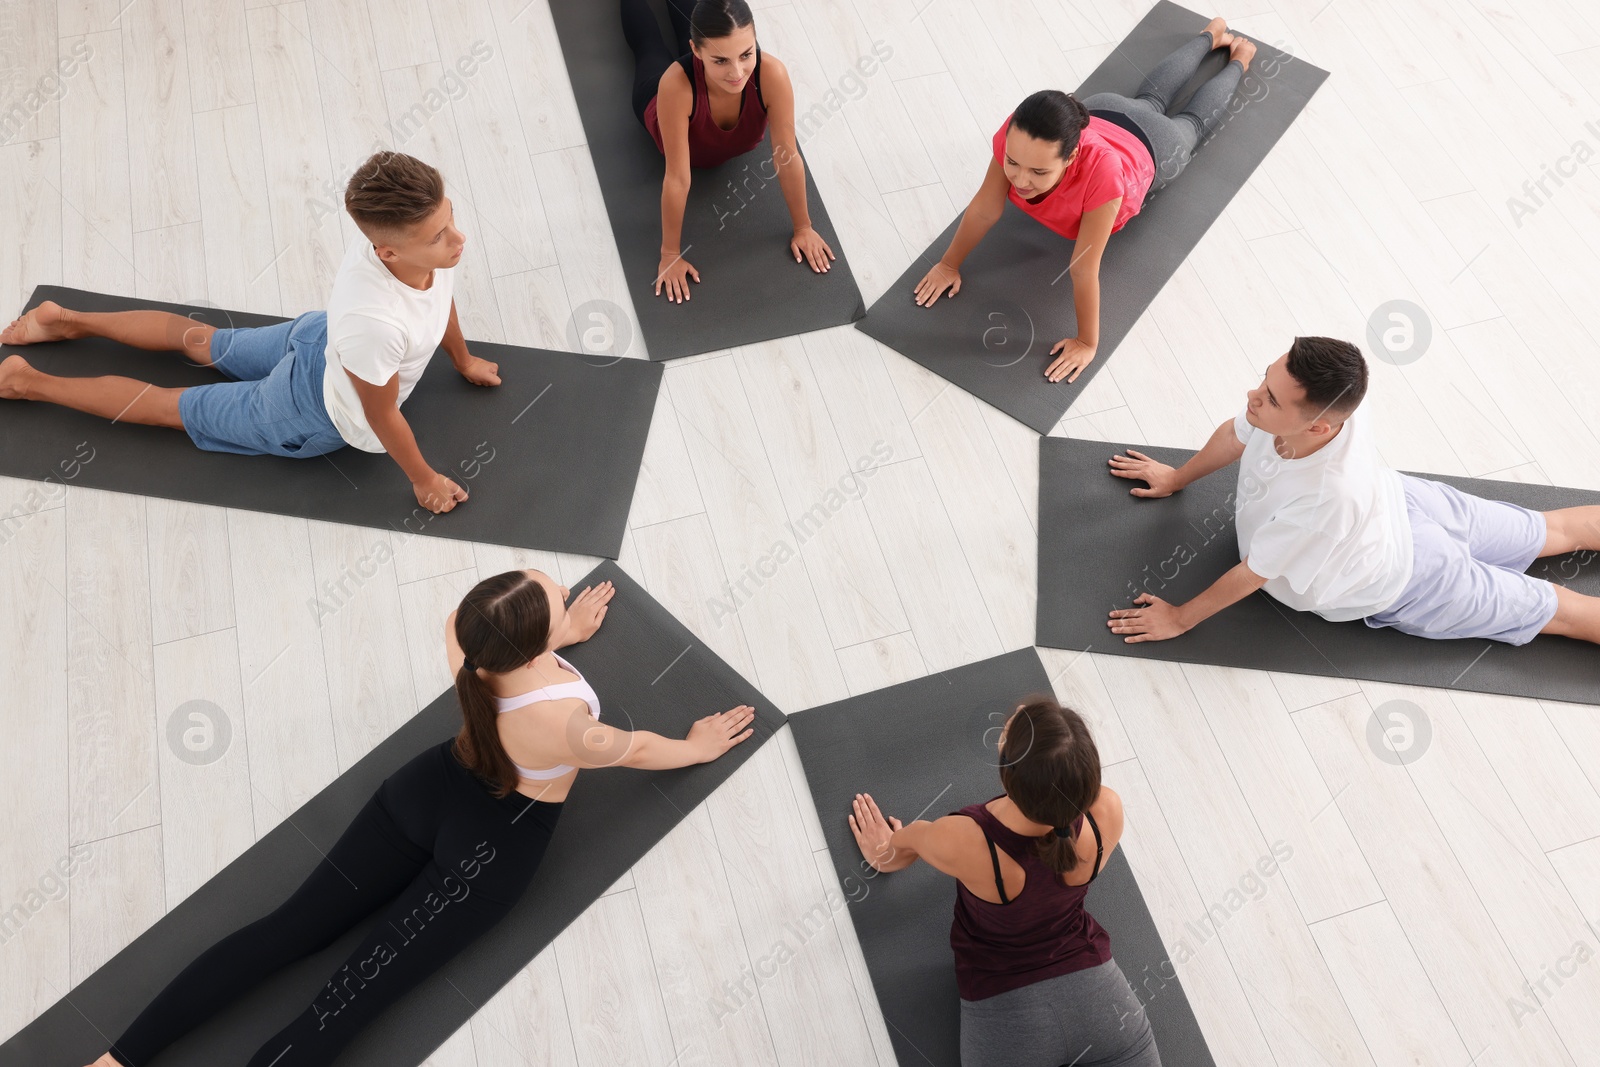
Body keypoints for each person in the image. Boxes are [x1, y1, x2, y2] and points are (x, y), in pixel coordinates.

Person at [81, 569, 756, 1067]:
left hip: (420, 793)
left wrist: (560, 631)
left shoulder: (464, 638)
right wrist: (696, 745)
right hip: (491, 851)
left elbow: (514, 654)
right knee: (352, 996)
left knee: (285, 931)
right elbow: (634, 748)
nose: (562, 596)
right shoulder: (572, 727)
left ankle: (114, 1061)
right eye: (556, 603)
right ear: (529, 644)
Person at [0, 152, 499, 515]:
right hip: (305, 405)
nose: (459, 240)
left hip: (315, 337)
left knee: (204, 341)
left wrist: (462, 359)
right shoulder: (378, 324)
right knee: (170, 406)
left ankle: (66, 319)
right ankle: (26, 381)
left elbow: (436, 297)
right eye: (439, 236)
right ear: (388, 253)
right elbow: (380, 413)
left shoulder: (414, 247)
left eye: (450, 217)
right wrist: (424, 480)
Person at [1104, 336, 1600, 646]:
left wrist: (1181, 619)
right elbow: (1237, 435)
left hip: (1413, 577)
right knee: (1557, 528)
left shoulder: (1328, 498)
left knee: (1570, 613)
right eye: (1264, 380)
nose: (1253, 397)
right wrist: (1176, 478)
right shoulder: (1319, 407)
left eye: (1271, 398)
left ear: (1319, 428)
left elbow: (1253, 573)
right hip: (1406, 503)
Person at [913, 17, 1256, 383]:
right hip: (1101, 110)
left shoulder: (1103, 175)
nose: (1020, 179)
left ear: (1072, 157)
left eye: (1039, 172)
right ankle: (1209, 36)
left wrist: (1087, 342)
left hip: (1156, 144)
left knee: (1190, 120)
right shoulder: (1018, 132)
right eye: (1013, 163)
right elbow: (985, 207)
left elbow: (1082, 267)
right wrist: (947, 264)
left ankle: (1240, 57)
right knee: (1150, 99)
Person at [849, 699, 1160, 1067]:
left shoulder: (966, 839)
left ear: (1006, 775)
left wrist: (881, 848)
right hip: (1103, 1007)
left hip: (1006, 1010)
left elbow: (889, 857)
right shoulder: (1106, 811)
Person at [621, 0, 835, 302]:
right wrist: (670, 253)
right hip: (658, 99)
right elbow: (678, 179)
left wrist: (803, 226)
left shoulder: (770, 74)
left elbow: (786, 157)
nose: (737, 72)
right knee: (649, 46)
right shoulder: (674, 84)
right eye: (722, 60)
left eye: (746, 54)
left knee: (691, 14)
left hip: (701, 74)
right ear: (696, 51)